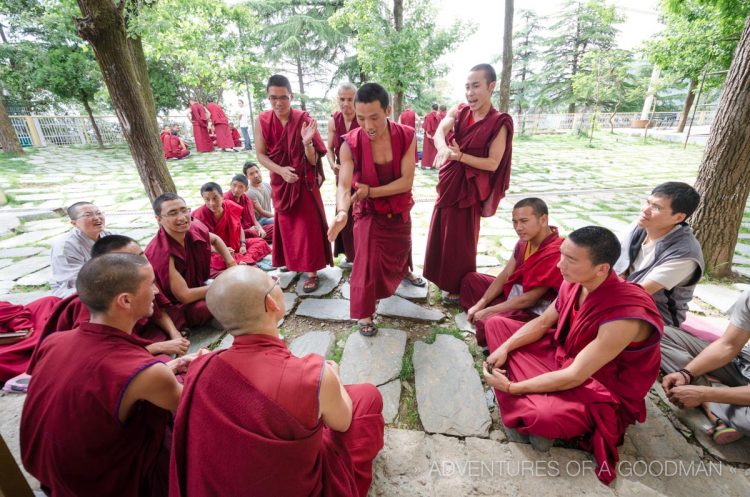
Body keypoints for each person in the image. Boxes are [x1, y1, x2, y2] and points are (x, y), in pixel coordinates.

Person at [169, 266, 385, 497]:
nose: (277, 282)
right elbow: (342, 423)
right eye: (274, 282)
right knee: (367, 395)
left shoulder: (203, 367)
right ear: (271, 303)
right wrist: (336, 380)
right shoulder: (313, 375)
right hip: (297, 485)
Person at [483, 226, 664, 485]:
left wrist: (511, 387)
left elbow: (577, 374)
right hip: (565, 356)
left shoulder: (624, 313)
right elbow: (543, 323)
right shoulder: (574, 283)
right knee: (497, 325)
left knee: (542, 416)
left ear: (602, 268)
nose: (559, 265)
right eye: (561, 255)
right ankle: (531, 400)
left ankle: (527, 402)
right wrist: (504, 349)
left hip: (597, 385)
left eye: (570, 260)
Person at [21, 253, 204, 497]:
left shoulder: (54, 341)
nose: (157, 291)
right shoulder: (147, 373)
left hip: (47, 472)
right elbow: (195, 410)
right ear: (126, 301)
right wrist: (205, 367)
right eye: (150, 284)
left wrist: (174, 364)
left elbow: (98, 378)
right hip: (97, 486)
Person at [328, 82, 422, 336]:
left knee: (399, 250)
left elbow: (406, 181)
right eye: (360, 118)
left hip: (396, 206)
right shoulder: (350, 143)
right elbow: (344, 185)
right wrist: (342, 212)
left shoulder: (406, 135)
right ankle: (364, 313)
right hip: (367, 211)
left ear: (388, 110)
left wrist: (372, 191)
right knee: (365, 260)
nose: (368, 126)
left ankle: (402, 274)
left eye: (374, 117)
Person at [423, 64, 514, 305]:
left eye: (476, 86)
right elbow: (442, 130)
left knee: (461, 238)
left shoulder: (498, 122)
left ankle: (458, 285)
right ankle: (439, 276)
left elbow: (493, 163)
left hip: (470, 187)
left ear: (491, 87)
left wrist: (460, 156)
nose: (470, 93)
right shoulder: (460, 110)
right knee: (441, 228)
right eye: (467, 87)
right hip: (451, 178)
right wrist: (443, 149)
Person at [33, 235, 190, 363]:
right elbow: (101, 354)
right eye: (130, 260)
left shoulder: (142, 277)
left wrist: (175, 334)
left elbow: (158, 310)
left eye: (141, 256)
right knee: (158, 364)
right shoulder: (93, 303)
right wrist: (160, 347)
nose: (142, 264)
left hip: (136, 335)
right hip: (114, 350)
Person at [254, 74, 332, 292]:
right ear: (268, 98)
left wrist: (307, 143)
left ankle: (311, 272)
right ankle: (293, 263)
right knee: (288, 225)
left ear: (291, 96)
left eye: (283, 98)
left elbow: (313, 160)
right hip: (281, 182)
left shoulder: (303, 119)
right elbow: (261, 155)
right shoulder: (262, 121)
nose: (278, 103)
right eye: (273, 98)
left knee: (307, 227)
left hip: (303, 182)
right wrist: (281, 171)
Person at [460, 198, 564, 348]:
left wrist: (488, 310)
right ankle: (494, 321)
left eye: (524, 221)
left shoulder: (555, 252)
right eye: (515, 222)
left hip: (532, 311)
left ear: (543, 219)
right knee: (471, 281)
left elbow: (529, 300)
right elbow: (506, 274)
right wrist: (481, 303)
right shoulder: (524, 241)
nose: (518, 227)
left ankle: (497, 329)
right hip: (513, 296)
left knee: (489, 322)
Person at [661, 289, 750, 445]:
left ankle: (711, 401)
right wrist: (686, 373)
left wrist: (705, 394)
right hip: (741, 365)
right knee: (659, 335)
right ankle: (721, 401)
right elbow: (729, 345)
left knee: (747, 421)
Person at [614, 182, 704, 330]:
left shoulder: (685, 253)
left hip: (656, 316)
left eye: (656, 207)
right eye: (647, 202)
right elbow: (609, 259)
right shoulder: (642, 225)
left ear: (678, 217)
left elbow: (639, 293)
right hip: (622, 297)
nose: (645, 210)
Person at [145, 193, 235, 330]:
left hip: (202, 281)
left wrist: (231, 263)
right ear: (159, 219)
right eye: (173, 213)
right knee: (204, 308)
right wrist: (222, 286)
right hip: (180, 303)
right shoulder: (161, 252)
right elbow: (184, 296)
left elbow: (215, 240)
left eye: (184, 210)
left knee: (243, 275)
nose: (182, 217)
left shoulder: (193, 227)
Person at [193, 182, 270, 269]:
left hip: (236, 245)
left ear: (222, 196)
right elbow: (202, 244)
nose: (212, 203)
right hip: (218, 251)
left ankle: (242, 260)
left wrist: (243, 244)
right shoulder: (198, 216)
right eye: (207, 199)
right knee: (212, 260)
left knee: (260, 242)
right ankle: (245, 260)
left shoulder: (230, 206)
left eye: (215, 198)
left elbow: (239, 226)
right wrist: (222, 250)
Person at [326, 82, 360, 267]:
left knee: (359, 213)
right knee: (343, 212)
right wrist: (332, 164)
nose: (346, 103)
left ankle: (361, 252)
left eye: (350, 99)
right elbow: (329, 148)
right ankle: (349, 253)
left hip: (361, 173)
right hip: (341, 172)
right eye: (342, 99)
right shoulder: (334, 120)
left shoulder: (363, 118)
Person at [50, 201, 111, 298]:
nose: (96, 218)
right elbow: (77, 280)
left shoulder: (110, 235)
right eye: (88, 215)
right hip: (76, 289)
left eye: (98, 213)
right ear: (74, 223)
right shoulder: (65, 246)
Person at [0, 296, 60, 384]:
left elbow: (9, 311)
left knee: (50, 301)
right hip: (8, 345)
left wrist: (22, 326)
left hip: (24, 328)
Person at [224, 174, 270, 240]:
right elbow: (229, 226)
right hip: (236, 233)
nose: (236, 189)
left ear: (246, 189)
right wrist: (249, 230)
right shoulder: (225, 199)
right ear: (230, 185)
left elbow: (253, 219)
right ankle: (255, 238)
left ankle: (257, 237)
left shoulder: (247, 200)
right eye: (234, 185)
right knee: (255, 235)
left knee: (275, 228)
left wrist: (260, 229)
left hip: (250, 229)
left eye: (241, 187)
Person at [244, 161, 275, 238]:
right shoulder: (249, 192)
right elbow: (262, 212)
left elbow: (276, 202)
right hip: (260, 221)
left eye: (257, 171)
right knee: (281, 222)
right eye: (251, 174)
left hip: (269, 218)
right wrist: (277, 216)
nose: (256, 175)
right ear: (247, 177)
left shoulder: (267, 185)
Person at [420, 103, 440, 169]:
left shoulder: (428, 116)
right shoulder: (439, 117)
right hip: (436, 135)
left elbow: (425, 127)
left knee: (427, 150)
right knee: (434, 150)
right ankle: (433, 165)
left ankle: (424, 165)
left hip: (428, 135)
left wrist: (428, 134)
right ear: (437, 109)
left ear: (432, 108)